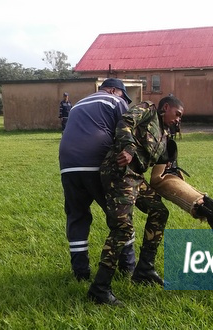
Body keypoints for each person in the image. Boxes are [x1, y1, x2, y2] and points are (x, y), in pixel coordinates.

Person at [87, 96, 184, 305]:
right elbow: (125, 121)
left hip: (136, 178)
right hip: (120, 172)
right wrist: (128, 147)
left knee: (160, 211)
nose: (178, 120)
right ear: (166, 107)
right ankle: (99, 288)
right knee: (122, 228)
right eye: (177, 114)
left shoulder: (164, 135)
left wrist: (174, 171)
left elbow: (161, 164)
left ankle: (145, 270)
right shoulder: (148, 110)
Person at [59, 78, 135, 281]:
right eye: (122, 95)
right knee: (120, 214)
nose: (124, 101)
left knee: (77, 216)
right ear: (112, 90)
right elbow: (126, 130)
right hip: (97, 162)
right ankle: (128, 267)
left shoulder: (76, 106)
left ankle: (80, 272)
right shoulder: (114, 101)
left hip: (67, 165)